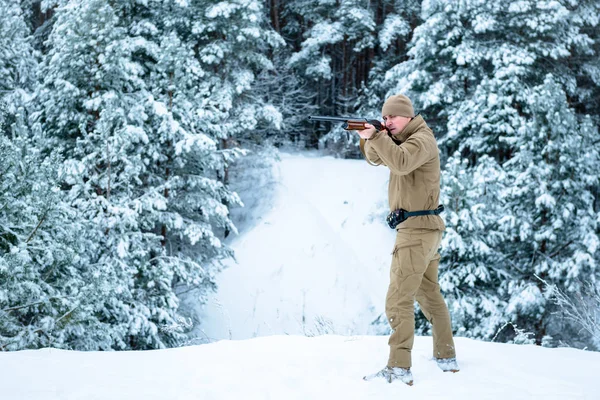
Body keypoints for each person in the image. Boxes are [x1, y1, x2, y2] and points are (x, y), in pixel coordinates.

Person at [358, 94, 458, 386]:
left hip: (417, 231)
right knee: (428, 295)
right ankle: (445, 357)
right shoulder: (404, 138)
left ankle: (399, 367)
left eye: (392, 118)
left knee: (398, 299)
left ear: (408, 116)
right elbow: (377, 158)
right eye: (384, 118)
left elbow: (399, 163)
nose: (388, 122)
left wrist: (377, 134)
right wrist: (369, 136)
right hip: (422, 228)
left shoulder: (421, 140)